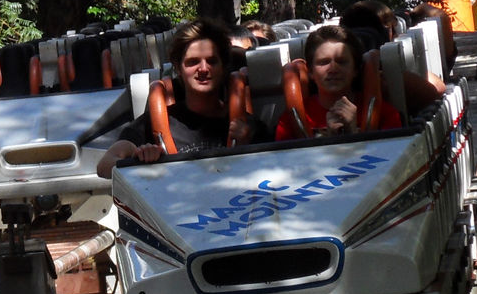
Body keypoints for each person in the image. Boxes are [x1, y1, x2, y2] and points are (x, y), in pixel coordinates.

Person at [97, 19, 268, 177]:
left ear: (223, 67)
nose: (203, 69)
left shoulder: (248, 126)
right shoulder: (155, 122)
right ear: (178, 68)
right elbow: (104, 166)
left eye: (211, 61)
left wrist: (249, 149)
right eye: (193, 62)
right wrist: (138, 159)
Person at [276, 24, 404, 141]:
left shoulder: (385, 114)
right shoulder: (290, 121)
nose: (333, 69)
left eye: (342, 62)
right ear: (310, 72)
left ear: (355, 69)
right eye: (324, 62)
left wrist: (353, 133)